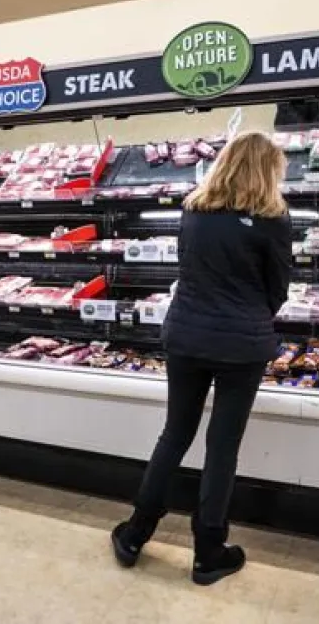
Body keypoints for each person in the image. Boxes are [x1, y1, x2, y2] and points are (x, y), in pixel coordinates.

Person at [110, 131, 292, 586]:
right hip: (241, 345)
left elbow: (187, 268)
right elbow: (279, 288)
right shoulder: (273, 218)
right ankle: (209, 553)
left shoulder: (194, 209)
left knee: (174, 434)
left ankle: (134, 534)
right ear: (268, 170)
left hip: (187, 334)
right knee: (222, 446)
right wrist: (250, 316)